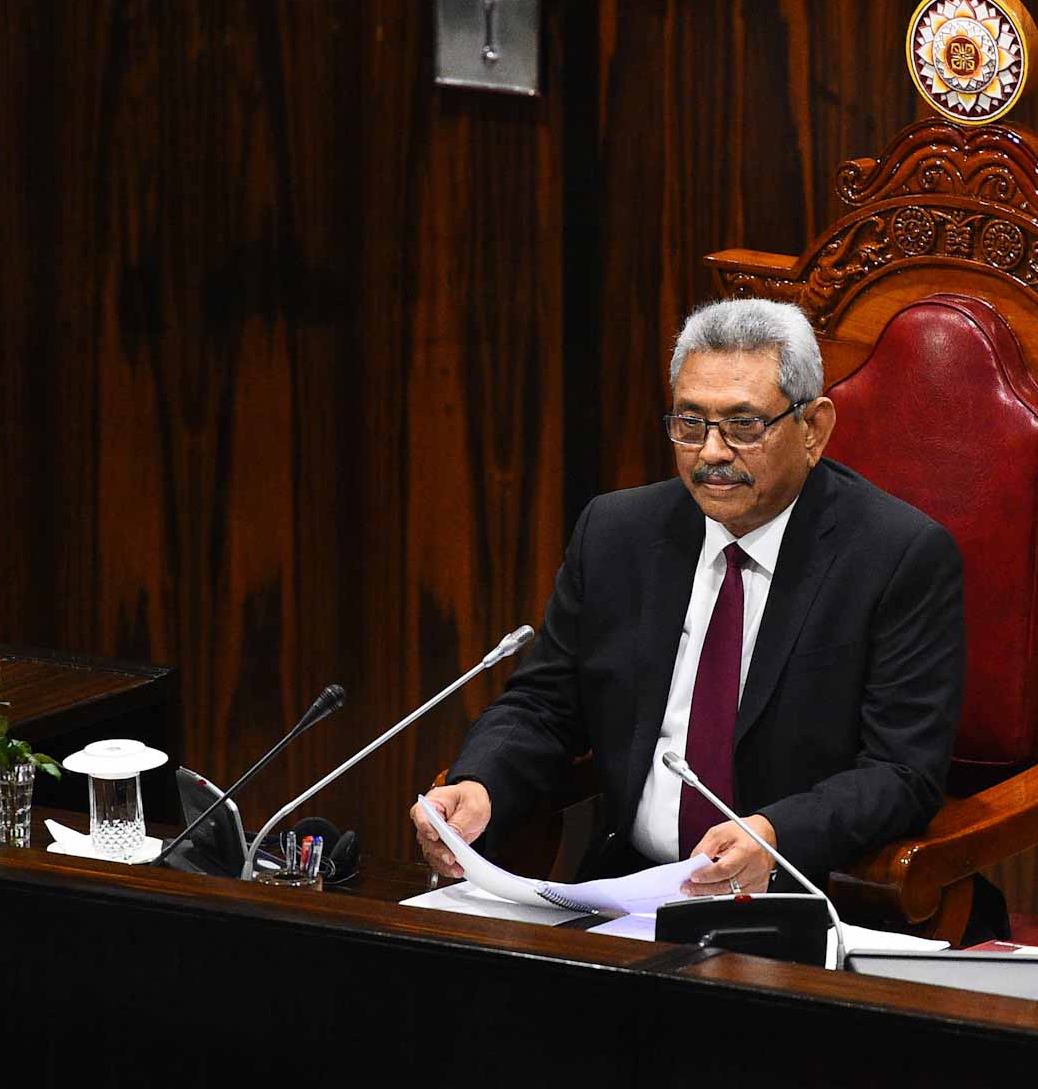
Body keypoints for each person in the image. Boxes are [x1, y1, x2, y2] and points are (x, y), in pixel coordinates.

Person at [410, 299, 965, 896]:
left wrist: (777, 833)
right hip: (622, 890)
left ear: (813, 429)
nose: (712, 453)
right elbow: (545, 703)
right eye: (690, 424)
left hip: (800, 897)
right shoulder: (619, 533)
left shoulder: (897, 557)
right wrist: (481, 782)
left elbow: (901, 771)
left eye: (744, 425)